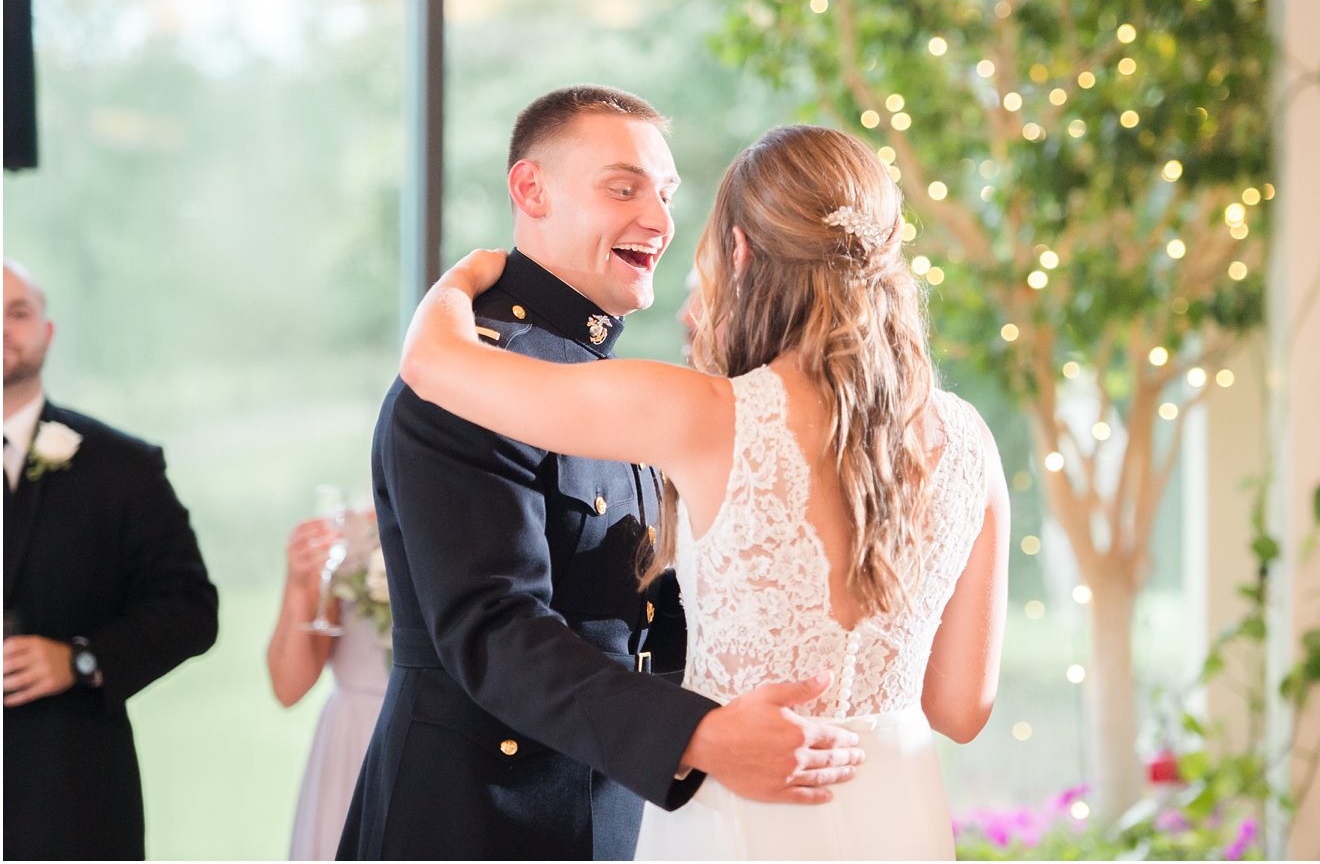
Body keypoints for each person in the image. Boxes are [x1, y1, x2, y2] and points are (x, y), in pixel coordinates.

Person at [399, 122, 1012, 860]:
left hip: (745, 817)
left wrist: (464, 277)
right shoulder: (971, 440)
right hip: (895, 810)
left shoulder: (705, 414)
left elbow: (433, 365)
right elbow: (962, 708)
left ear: (742, 252)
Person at [338, 87, 863, 861]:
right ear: (531, 189)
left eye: (666, 192)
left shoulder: (609, 382)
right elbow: (493, 629)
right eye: (624, 188)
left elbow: (635, 615)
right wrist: (701, 735)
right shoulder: (473, 374)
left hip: (621, 809)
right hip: (476, 822)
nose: (658, 219)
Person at [2, 258, 220, 860]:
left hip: (69, 792)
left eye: (17, 312)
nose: (2, 328)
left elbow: (191, 609)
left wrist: (80, 660)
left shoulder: (121, 466)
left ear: (46, 332)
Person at [267, 506, 388, 861]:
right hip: (355, 742)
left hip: (443, 733)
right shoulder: (348, 532)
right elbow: (288, 688)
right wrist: (299, 582)